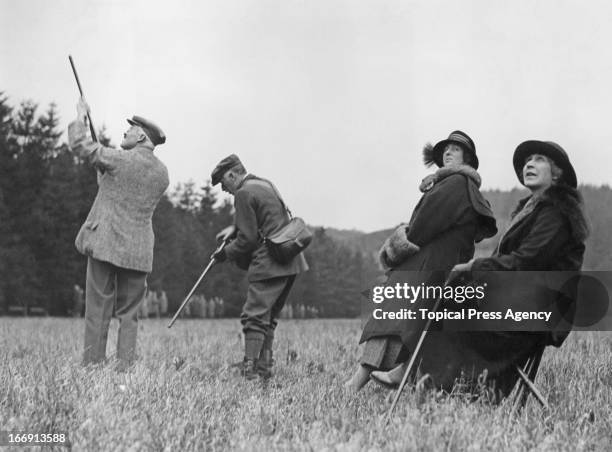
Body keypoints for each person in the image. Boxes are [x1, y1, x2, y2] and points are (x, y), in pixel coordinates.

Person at [371, 140, 588, 398]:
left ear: (557, 173)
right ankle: (428, 379)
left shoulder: (556, 214)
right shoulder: (533, 209)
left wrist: (473, 266)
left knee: (450, 308)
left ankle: (433, 382)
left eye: (539, 159)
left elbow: (525, 262)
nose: (529, 164)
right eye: (527, 160)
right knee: (445, 300)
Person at [345, 130, 497, 392]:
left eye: (456, 149)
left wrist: (398, 243)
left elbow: (421, 226)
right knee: (397, 322)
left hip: (427, 267)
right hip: (439, 267)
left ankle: (357, 382)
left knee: (391, 320)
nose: (448, 152)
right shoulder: (461, 186)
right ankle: (379, 379)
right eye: (445, 149)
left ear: (468, 159)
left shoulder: (456, 183)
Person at [68, 97, 169, 369]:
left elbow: (80, 146)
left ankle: (92, 365)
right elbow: (122, 189)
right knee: (129, 315)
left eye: (130, 129)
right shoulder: (163, 173)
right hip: (138, 251)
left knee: (97, 310)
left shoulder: (121, 160)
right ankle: (124, 368)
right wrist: (105, 173)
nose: (125, 132)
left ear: (140, 136)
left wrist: (81, 117)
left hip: (105, 244)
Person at [211, 154, 309, 379]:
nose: (224, 190)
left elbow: (248, 240)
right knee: (269, 318)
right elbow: (266, 218)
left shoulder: (243, 193)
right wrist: (234, 227)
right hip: (291, 260)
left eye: (223, 183)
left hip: (269, 263)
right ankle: (263, 369)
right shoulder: (264, 184)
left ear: (232, 175)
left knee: (254, 317)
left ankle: (250, 370)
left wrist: (223, 254)